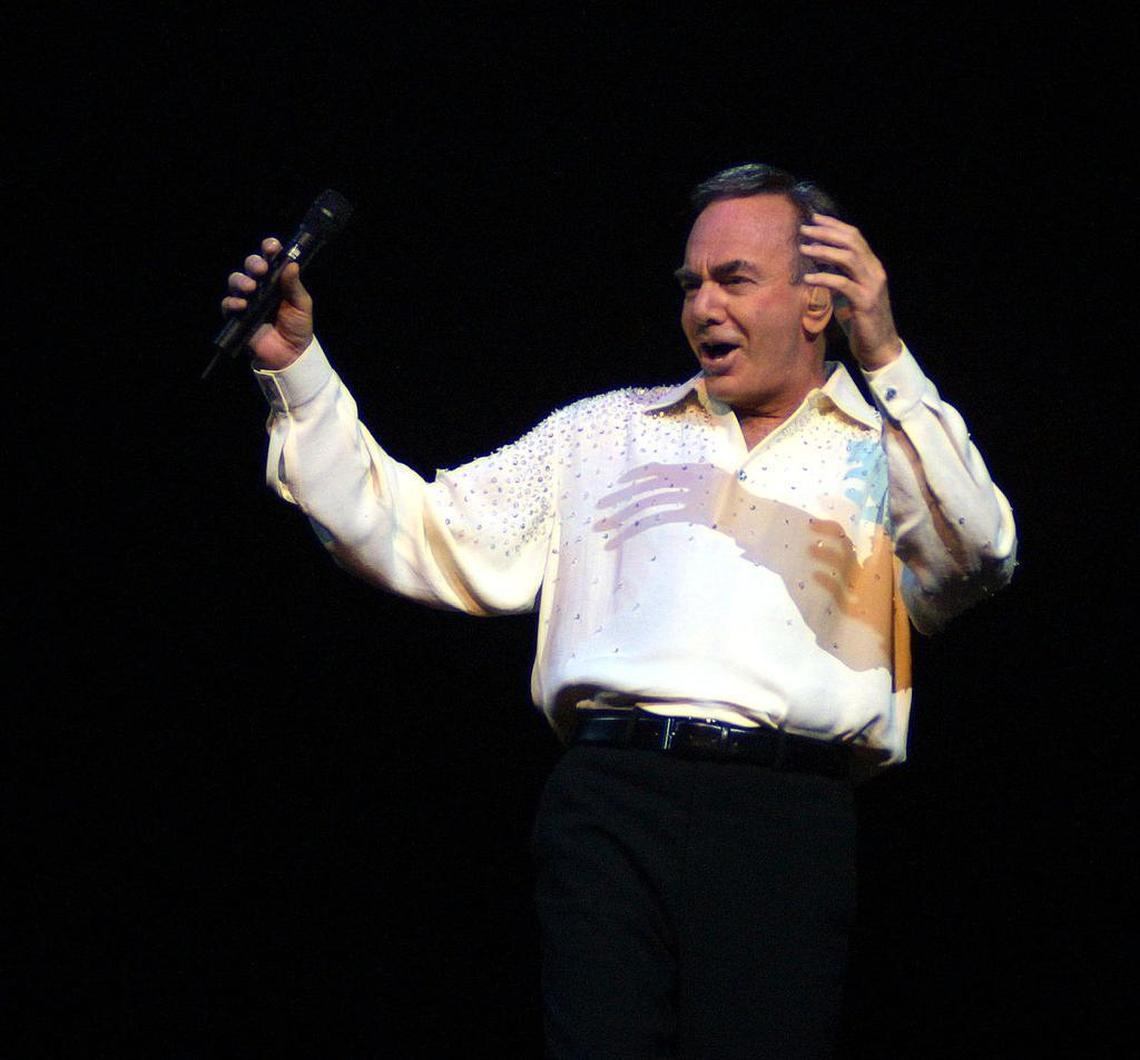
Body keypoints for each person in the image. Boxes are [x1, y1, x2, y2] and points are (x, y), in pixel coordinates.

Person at [222, 163, 1016, 1058]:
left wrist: (887, 358)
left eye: (736, 279)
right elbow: (415, 529)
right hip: (611, 802)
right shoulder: (604, 431)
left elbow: (977, 553)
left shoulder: (886, 454)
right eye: (692, 283)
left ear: (819, 304)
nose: (704, 305)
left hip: (781, 816)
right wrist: (301, 377)